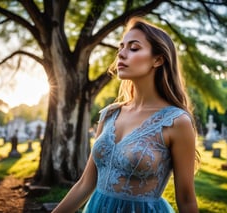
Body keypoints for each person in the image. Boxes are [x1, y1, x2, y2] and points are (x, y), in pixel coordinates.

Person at [52, 17, 199, 213]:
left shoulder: (176, 122)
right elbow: (85, 184)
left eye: (134, 48)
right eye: (121, 47)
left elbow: (187, 199)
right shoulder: (109, 114)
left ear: (158, 59)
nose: (121, 54)